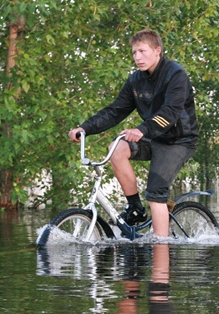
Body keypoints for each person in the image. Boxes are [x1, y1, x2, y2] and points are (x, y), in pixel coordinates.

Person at [68, 29, 199, 237]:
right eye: (134, 53)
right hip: (152, 136)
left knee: (155, 194)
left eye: (142, 51)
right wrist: (85, 128)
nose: (137, 57)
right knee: (117, 147)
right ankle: (135, 208)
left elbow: (171, 112)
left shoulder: (175, 74)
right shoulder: (136, 80)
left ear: (157, 51)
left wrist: (141, 129)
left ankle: (161, 248)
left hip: (178, 140)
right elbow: (115, 111)